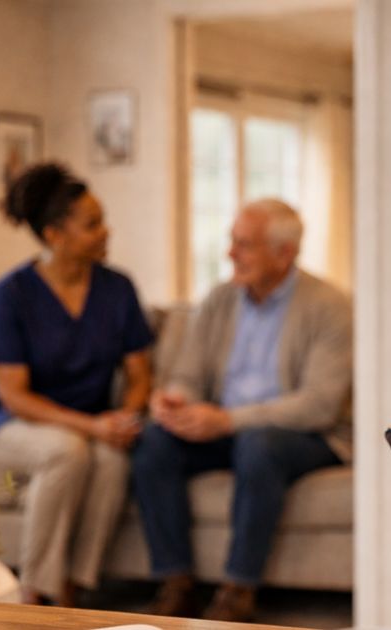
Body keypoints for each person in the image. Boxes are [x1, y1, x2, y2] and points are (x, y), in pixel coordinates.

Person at [131, 198, 353, 622]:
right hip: (226, 426)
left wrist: (227, 421)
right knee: (155, 442)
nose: (230, 254)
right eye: (232, 242)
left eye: (244, 244)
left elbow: (319, 405)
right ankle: (176, 582)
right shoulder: (219, 299)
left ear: (284, 253)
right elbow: (188, 374)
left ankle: (238, 590)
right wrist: (175, 399)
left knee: (259, 445)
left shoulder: (329, 306)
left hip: (305, 434)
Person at [0, 163, 154, 607]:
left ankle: (72, 587)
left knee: (110, 457)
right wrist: (92, 428)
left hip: (86, 421)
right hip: (8, 419)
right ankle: (34, 592)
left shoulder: (118, 288)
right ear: (54, 235)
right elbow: (14, 395)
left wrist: (125, 417)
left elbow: (140, 374)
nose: (106, 232)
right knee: (68, 451)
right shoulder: (9, 295)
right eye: (92, 224)